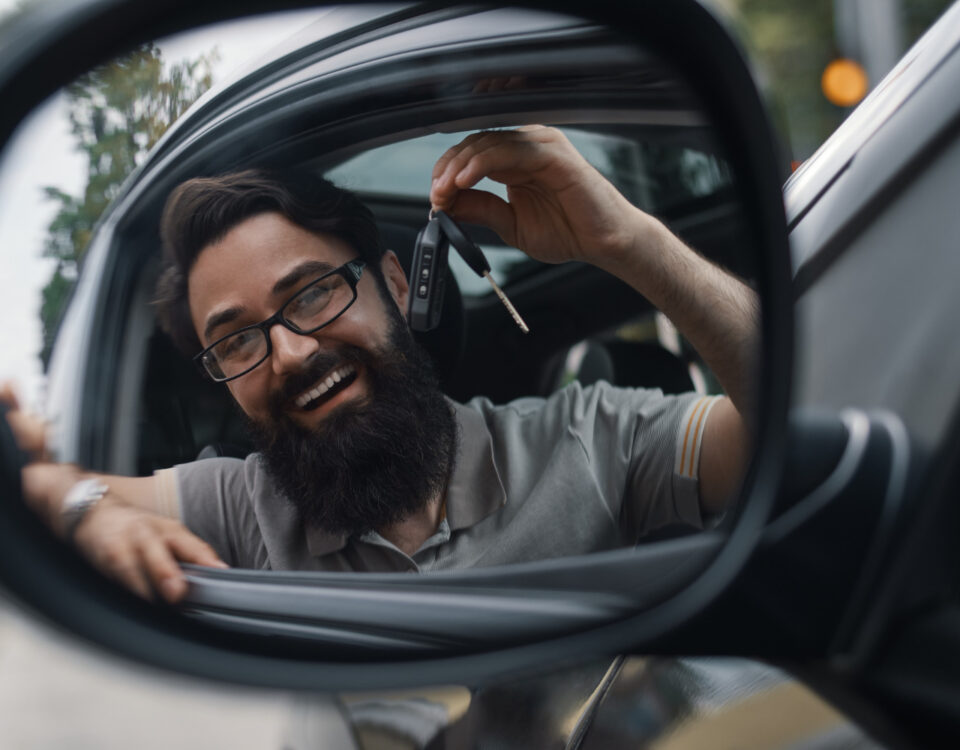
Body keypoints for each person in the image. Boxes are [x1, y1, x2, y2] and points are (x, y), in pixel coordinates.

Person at [8, 126, 756, 603]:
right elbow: (37, 488)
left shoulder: (591, 440)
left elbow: (786, 411)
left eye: (312, 293)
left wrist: (630, 242)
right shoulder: (237, 510)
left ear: (396, 287)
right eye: (237, 341)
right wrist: (72, 512)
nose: (292, 353)